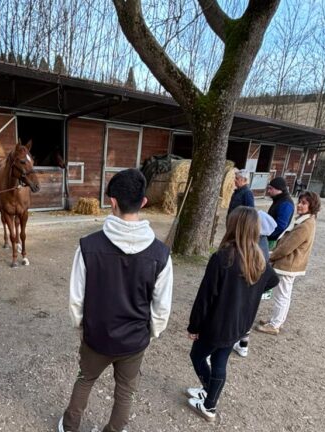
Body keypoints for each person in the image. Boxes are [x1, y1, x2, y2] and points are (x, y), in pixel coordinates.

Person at [59, 168, 173, 432]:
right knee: (125, 391)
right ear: (143, 202)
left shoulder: (88, 247)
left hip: (96, 337)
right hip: (134, 340)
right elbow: (161, 307)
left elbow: (76, 298)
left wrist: (81, 327)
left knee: (85, 379)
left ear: (112, 201)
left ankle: (70, 426)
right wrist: (151, 333)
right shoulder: (161, 254)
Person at [186, 207, 279, 422]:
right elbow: (273, 280)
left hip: (216, 325)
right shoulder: (259, 257)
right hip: (240, 324)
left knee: (198, 356)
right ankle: (209, 396)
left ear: (233, 226)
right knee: (220, 360)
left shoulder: (222, 257)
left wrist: (194, 327)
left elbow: (205, 297)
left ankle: (210, 402)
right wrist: (251, 290)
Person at [255, 191, 321, 335]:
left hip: (288, 265)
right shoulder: (305, 221)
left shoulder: (305, 225)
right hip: (289, 264)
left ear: (312, 206)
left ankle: (275, 324)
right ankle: (276, 320)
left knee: (282, 295)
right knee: (284, 294)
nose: (299, 205)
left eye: (304, 203)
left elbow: (287, 247)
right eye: (300, 201)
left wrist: (270, 256)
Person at [232, 210, 277, 358]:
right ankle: (243, 344)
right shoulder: (263, 243)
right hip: (255, 290)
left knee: (238, 314)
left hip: (246, 288)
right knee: (248, 314)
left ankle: (236, 341)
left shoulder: (252, 244)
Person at [266, 177, 295, 248]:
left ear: (279, 189)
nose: (268, 191)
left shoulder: (286, 204)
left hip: (273, 240)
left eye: (271, 188)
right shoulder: (278, 200)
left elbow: (281, 226)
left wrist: (267, 234)